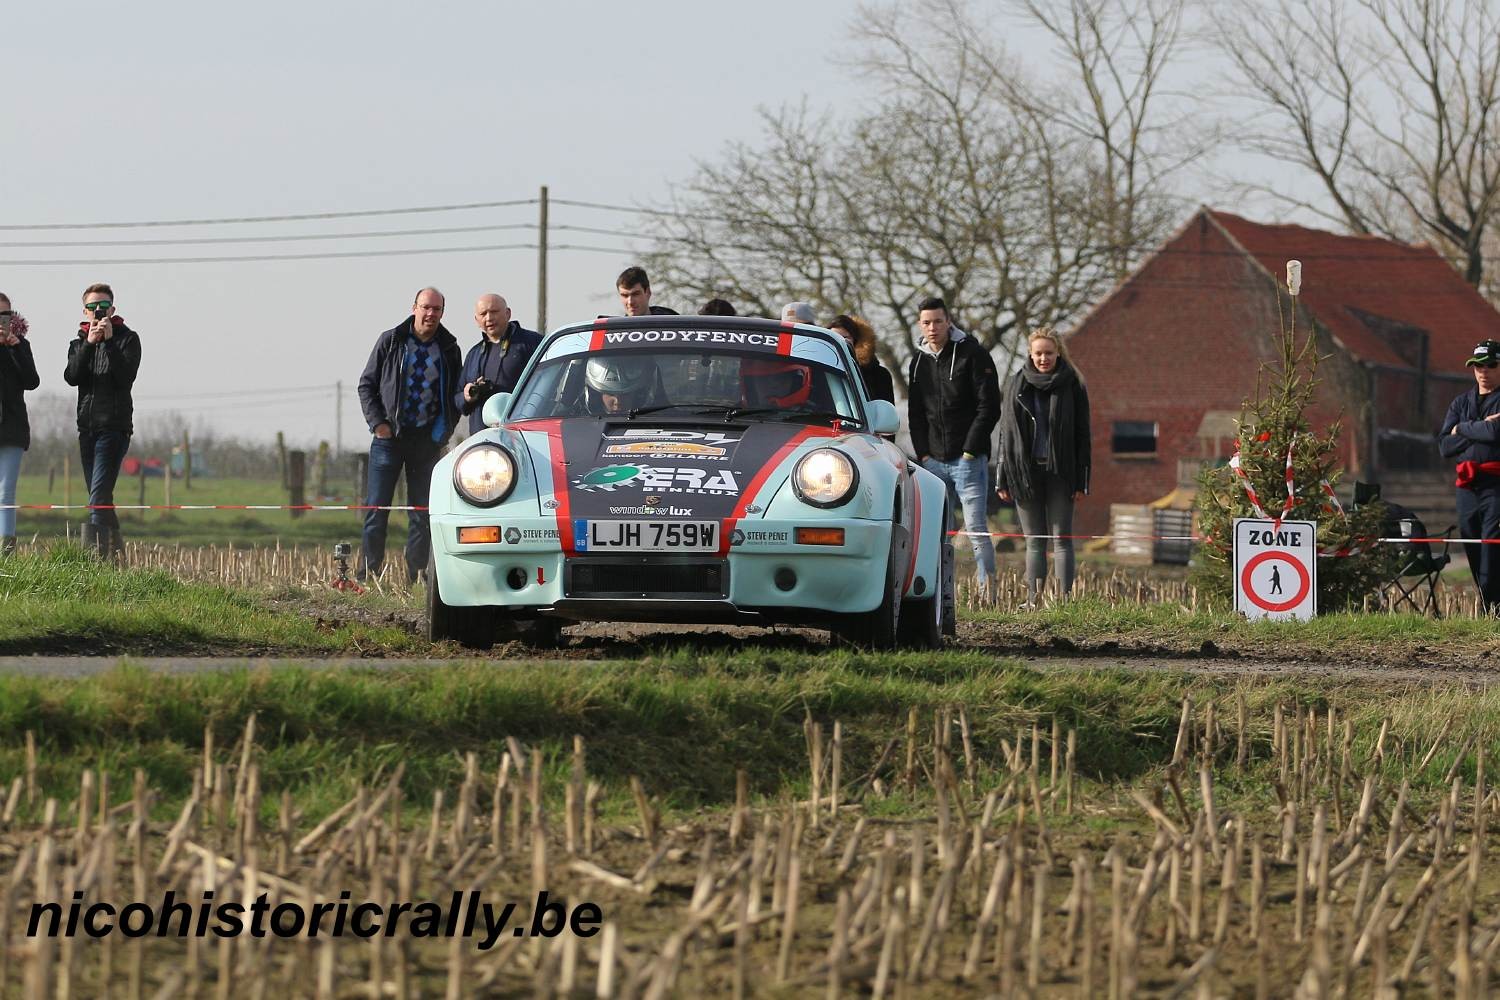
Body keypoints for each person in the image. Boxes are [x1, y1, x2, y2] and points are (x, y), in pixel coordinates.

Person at [357, 287, 462, 582]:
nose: (431, 314)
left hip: (425, 442)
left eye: (437, 310)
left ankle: (415, 574)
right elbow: (366, 385)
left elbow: (453, 397)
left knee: (422, 513)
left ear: (442, 313)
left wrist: (441, 434)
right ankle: (369, 572)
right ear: (414, 307)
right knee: (377, 509)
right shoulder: (391, 341)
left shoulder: (450, 348)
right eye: (426, 307)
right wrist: (378, 424)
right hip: (388, 440)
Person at [907, 296, 1000, 599]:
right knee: (940, 531)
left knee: (975, 527)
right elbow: (916, 413)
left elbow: (989, 407)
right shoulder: (918, 360)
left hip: (968, 460)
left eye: (937, 321)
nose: (932, 327)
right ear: (920, 325)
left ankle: (988, 593)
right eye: (926, 322)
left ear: (948, 321)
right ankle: (942, 593)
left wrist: (971, 449)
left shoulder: (973, 355)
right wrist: (923, 454)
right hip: (933, 461)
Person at [996, 327, 1091, 607]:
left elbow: (1083, 435)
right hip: (1025, 473)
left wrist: (1082, 481)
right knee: (1034, 539)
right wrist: (1002, 478)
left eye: (1049, 352)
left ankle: (1063, 601)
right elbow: (1005, 434)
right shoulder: (1016, 383)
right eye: (1038, 353)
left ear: (1058, 352)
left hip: (1062, 472)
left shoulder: (1073, 384)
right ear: (1030, 353)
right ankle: (1033, 599)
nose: (1043, 358)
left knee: (1061, 538)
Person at [63, 283, 141, 561]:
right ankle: (118, 557)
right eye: (94, 308)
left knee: (97, 498)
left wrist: (108, 342)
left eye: (104, 307)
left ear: (113, 309)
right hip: (87, 428)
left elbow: (125, 377)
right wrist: (90, 344)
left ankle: (93, 562)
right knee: (101, 497)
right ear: (85, 311)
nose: (99, 312)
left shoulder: (127, 339)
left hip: (115, 428)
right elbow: (72, 376)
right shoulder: (77, 343)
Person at [1439, 338, 1500, 614]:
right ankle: (1490, 607)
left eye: (1490, 365)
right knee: (1473, 544)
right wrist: (1475, 428)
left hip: (1495, 487)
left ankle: (1494, 608)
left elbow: (1495, 433)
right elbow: (1444, 446)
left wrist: (1460, 429)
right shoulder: (1460, 402)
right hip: (1466, 486)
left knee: (1491, 548)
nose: (1483, 371)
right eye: (1477, 366)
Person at [456, 294, 540, 435]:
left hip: (523, 435)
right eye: (483, 314)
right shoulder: (473, 354)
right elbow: (457, 401)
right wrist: (466, 396)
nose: (489, 318)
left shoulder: (532, 343)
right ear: (476, 320)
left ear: (508, 313)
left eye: (494, 311)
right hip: (482, 441)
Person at [0, 294, 38, 555]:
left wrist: (14, 348)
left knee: (5, 492)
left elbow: (31, 381)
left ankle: (6, 550)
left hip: (12, 428)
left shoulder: (20, 345)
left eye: (5, 315)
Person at [828, 314, 895, 404]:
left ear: (855, 340)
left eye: (845, 338)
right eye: (834, 338)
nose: (839, 342)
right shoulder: (823, 372)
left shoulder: (879, 375)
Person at [583, 356, 661, 415]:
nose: (618, 401)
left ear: (639, 393)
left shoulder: (661, 419)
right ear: (596, 394)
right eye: (610, 394)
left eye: (625, 394)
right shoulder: (576, 421)